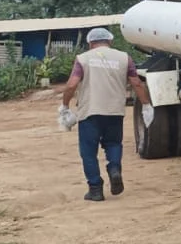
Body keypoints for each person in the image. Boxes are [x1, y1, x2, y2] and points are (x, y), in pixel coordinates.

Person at [60, 28, 151, 202]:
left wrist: (65, 106)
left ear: (90, 42)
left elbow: (71, 85)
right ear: (110, 41)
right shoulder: (125, 58)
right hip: (115, 111)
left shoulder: (83, 59)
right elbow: (136, 83)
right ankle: (114, 168)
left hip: (90, 113)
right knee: (114, 143)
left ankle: (95, 189)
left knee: (88, 152)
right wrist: (146, 105)